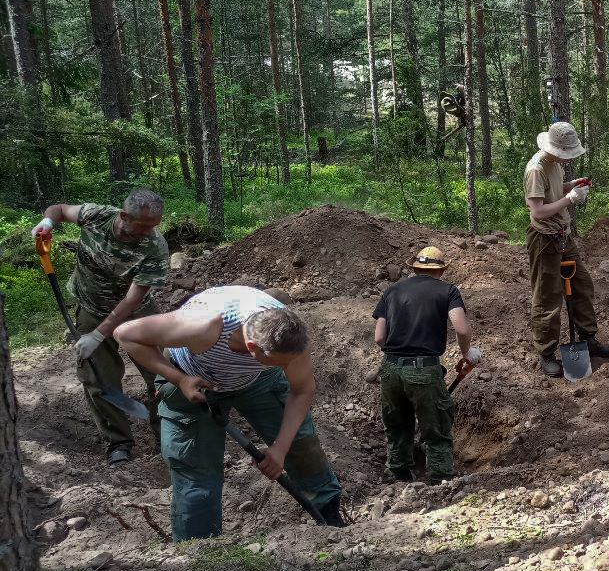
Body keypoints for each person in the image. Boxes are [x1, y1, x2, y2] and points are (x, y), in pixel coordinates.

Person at [115, 285, 346, 540]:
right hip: (192, 375)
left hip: (256, 380)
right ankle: (200, 549)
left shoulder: (290, 338)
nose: (286, 368)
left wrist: (279, 449)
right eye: (279, 362)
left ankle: (331, 521)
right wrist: (179, 379)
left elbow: (302, 391)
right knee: (196, 470)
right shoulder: (203, 326)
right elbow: (125, 334)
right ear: (251, 346)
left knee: (300, 445)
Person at [31, 190, 170, 465]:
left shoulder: (155, 245)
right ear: (123, 216)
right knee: (98, 379)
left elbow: (134, 298)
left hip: (138, 315)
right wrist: (48, 222)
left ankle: (168, 439)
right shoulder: (96, 215)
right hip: (91, 309)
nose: (149, 231)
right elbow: (59, 207)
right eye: (143, 224)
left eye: (154, 224)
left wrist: (98, 334)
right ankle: (118, 443)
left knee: (164, 377)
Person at [373, 246, 481, 484]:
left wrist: (398, 357)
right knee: (436, 427)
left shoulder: (392, 290)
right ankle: (439, 482)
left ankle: (400, 473)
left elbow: (379, 338)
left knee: (397, 425)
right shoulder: (448, 291)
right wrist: (466, 353)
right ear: (441, 270)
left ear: (415, 268)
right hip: (423, 368)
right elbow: (461, 328)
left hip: (390, 368)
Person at [523, 121, 609, 376]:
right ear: (553, 148)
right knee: (547, 297)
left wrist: (572, 185)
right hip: (544, 239)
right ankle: (546, 352)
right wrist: (569, 199)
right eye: (564, 154)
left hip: (563, 235)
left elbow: (552, 193)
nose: (566, 159)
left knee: (582, 285)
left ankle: (588, 339)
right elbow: (538, 210)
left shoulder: (554, 164)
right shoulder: (536, 169)